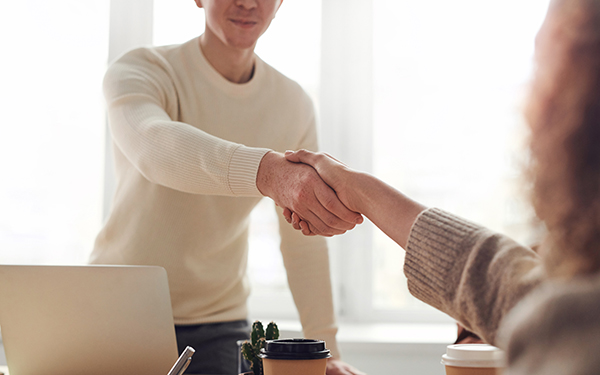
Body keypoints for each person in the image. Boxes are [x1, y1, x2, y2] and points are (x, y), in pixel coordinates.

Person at [283, 0, 600, 373]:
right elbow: (508, 285)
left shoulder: (571, 331)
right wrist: (362, 191)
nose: (528, 107)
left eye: (543, 72)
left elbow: (532, 301)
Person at [90, 0, 365, 374]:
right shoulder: (142, 70)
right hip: (115, 312)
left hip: (219, 325)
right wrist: (268, 172)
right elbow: (155, 147)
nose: (248, 3)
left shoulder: (292, 104)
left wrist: (326, 352)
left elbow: (302, 242)